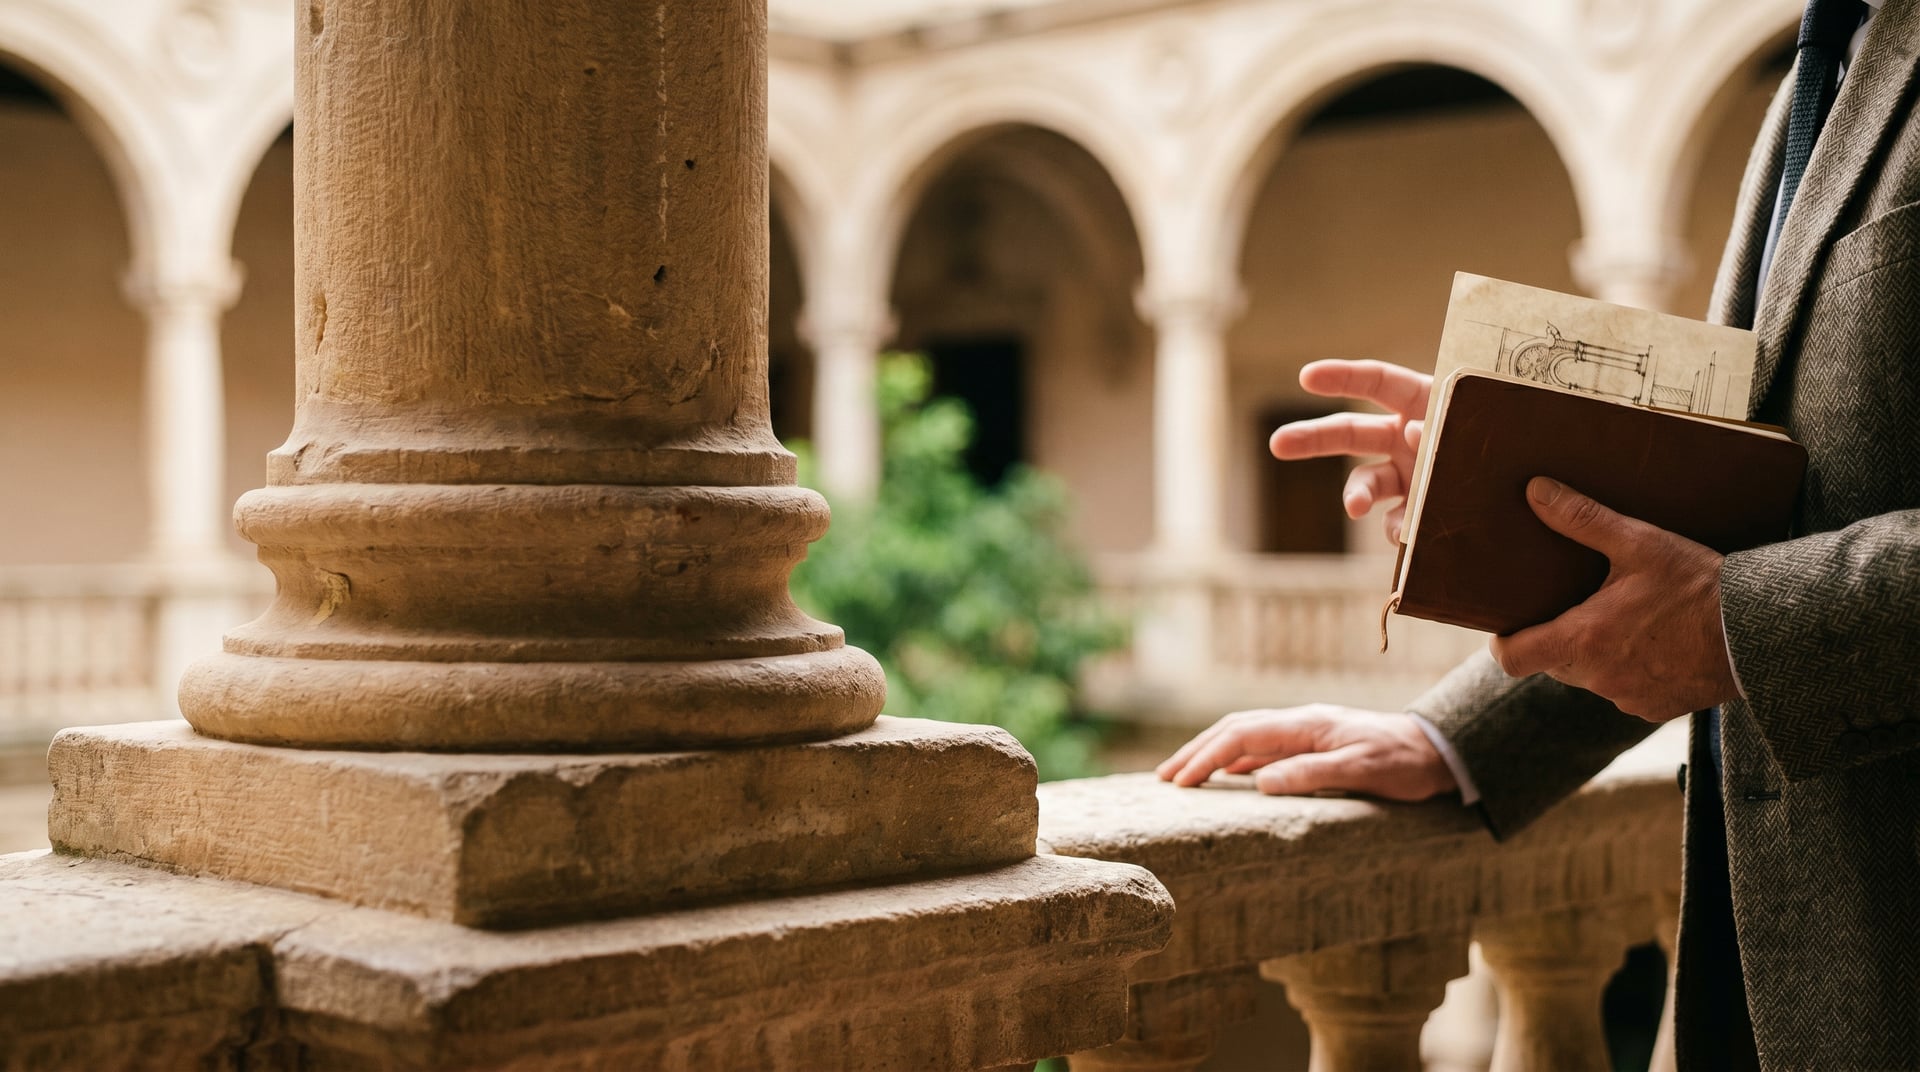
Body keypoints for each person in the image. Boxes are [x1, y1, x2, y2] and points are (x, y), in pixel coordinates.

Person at [1158, 0, 1920, 1068]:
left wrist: (1747, 626)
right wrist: (1461, 726)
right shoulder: (1826, 53)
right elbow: (1763, 496)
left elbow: (1729, 597)